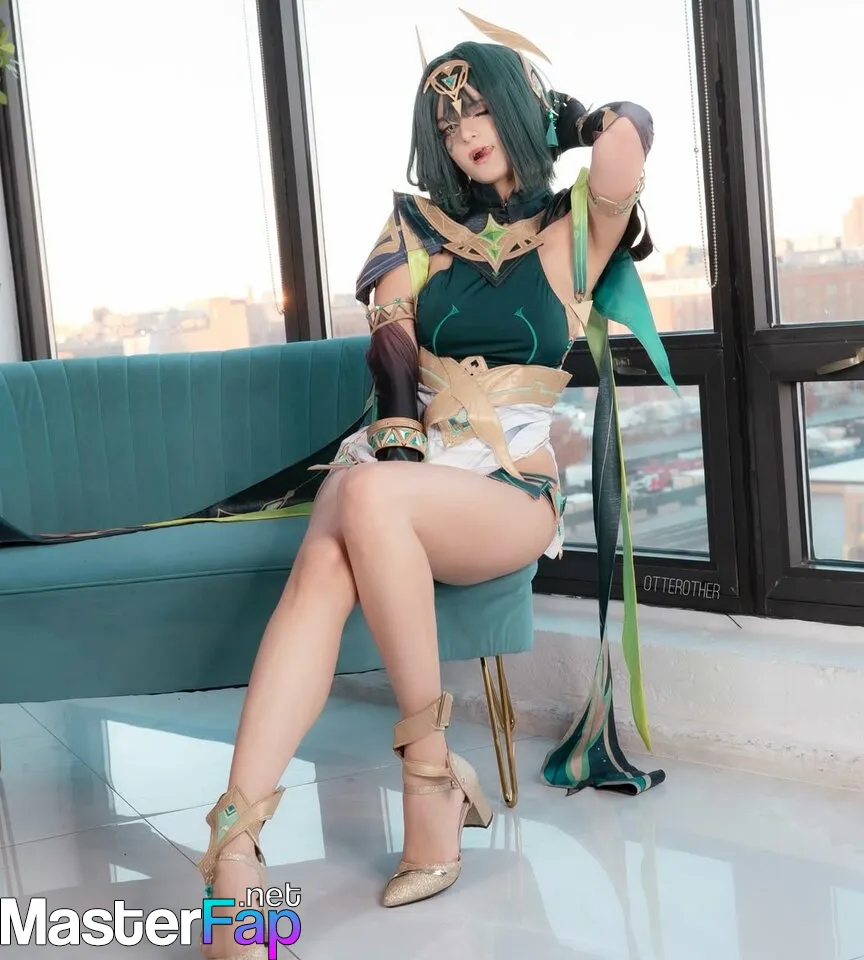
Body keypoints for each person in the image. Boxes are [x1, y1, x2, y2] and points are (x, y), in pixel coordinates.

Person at [197, 14, 671, 958]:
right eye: (448, 124)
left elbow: (629, 140)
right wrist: (400, 446)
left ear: (520, 111)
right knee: (332, 545)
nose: (465, 134)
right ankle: (236, 848)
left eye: (482, 110)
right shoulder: (417, 228)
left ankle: (426, 771)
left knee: (356, 497)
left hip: (507, 490)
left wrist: (568, 117)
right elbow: (392, 345)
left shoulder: (574, 229)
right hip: (409, 467)